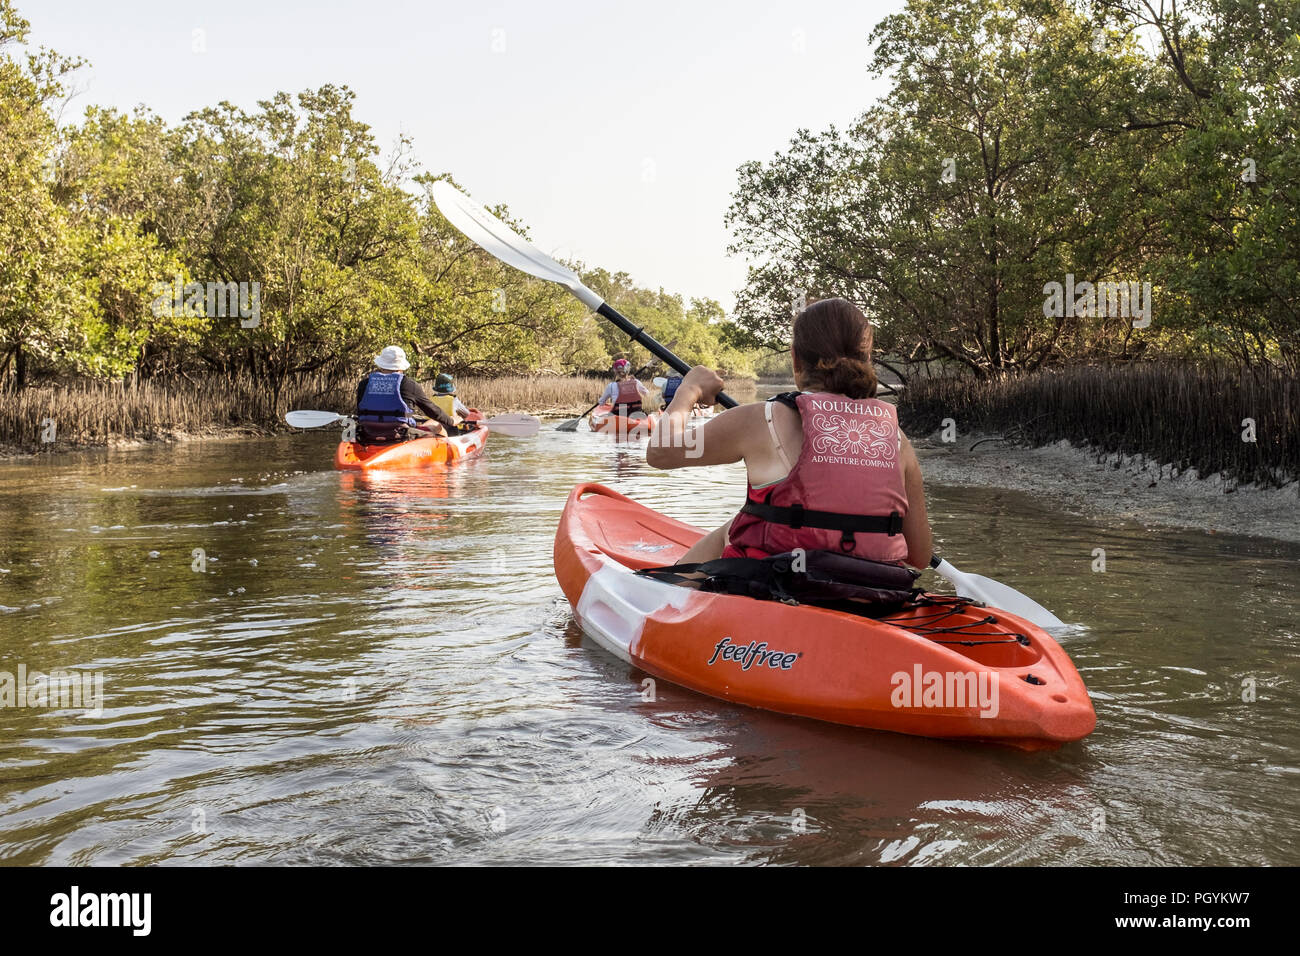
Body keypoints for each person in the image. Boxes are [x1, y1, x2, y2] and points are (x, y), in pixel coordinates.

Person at [646, 298, 932, 568]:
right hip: (876, 595)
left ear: (795, 359)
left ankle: (665, 597)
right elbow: (919, 556)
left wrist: (690, 389)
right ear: (868, 358)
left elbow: (660, 452)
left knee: (734, 529)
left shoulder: (761, 418)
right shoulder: (895, 436)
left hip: (781, 587)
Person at [354, 346, 473, 444]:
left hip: (366, 434)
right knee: (438, 427)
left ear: (380, 365)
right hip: (399, 435)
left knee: (431, 424)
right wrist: (451, 421)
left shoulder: (364, 384)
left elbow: (362, 411)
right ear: (401, 367)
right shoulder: (409, 384)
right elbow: (432, 411)